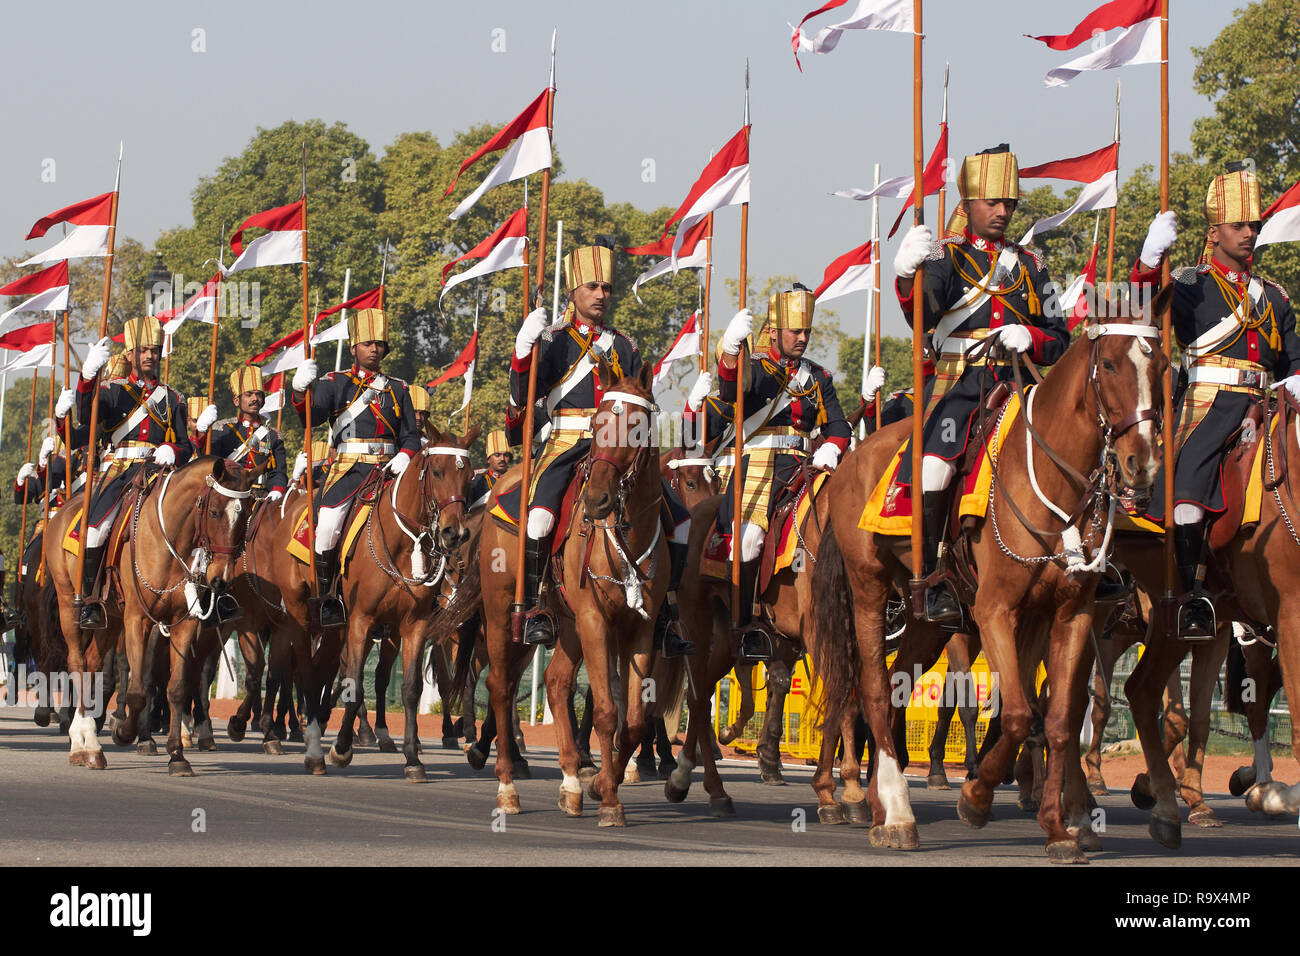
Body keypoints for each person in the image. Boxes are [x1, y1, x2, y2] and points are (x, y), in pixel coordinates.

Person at [893, 144, 1068, 623]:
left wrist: (1028, 334)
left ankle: (1081, 560)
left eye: (1008, 203)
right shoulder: (946, 258)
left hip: (1019, 386)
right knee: (934, 468)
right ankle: (930, 579)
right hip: (957, 384)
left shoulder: (1033, 267)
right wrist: (907, 276)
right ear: (967, 203)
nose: (1001, 211)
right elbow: (922, 315)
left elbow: (1060, 338)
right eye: (991, 202)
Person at [1130, 164, 1300, 639]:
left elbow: (1292, 356)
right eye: (1238, 226)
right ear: (1214, 231)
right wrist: (1147, 263)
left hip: (1265, 405)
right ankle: (1192, 595)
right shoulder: (1188, 284)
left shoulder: (1275, 296)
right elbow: (1139, 312)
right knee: (1189, 485)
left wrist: (1297, 379)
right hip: (1207, 404)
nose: (1249, 234)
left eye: (1254, 226)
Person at [714, 285, 852, 659]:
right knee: (747, 541)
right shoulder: (754, 368)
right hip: (759, 466)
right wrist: (729, 351)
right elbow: (730, 392)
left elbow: (839, 426)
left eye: (807, 332)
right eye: (796, 331)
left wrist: (829, 449)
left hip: (806, 466)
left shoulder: (818, 377)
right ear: (774, 331)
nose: (803, 339)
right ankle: (746, 626)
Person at [289, 307, 419, 630]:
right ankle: (329, 597)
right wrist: (300, 390)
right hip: (349, 471)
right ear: (353, 348)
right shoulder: (335, 383)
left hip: (388, 472)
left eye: (379, 343)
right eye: (368, 343)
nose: (375, 349)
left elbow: (412, 437)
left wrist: (405, 455)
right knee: (328, 526)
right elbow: (310, 417)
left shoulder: (399, 389)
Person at [73, 316, 197, 629]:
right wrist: (87, 378)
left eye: (154, 350)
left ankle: (200, 593)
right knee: (94, 531)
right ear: (130, 354)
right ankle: (91, 601)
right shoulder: (112, 391)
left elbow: (186, 445)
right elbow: (87, 419)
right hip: (121, 470)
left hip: (159, 469)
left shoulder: (172, 398)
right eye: (143, 350)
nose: (149, 356)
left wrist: (175, 451)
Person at [205, 366, 288, 499]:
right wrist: (202, 432)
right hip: (229, 495)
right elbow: (209, 463)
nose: (255, 398)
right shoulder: (222, 429)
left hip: (261, 497)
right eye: (249, 394)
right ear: (236, 401)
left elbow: (278, 472)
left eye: (259, 394)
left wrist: (276, 490)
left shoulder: (274, 436)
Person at [468, 429, 513, 512]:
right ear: (488, 459)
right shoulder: (478, 480)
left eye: (506, 455)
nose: (502, 459)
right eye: (497, 455)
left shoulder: (514, 480)